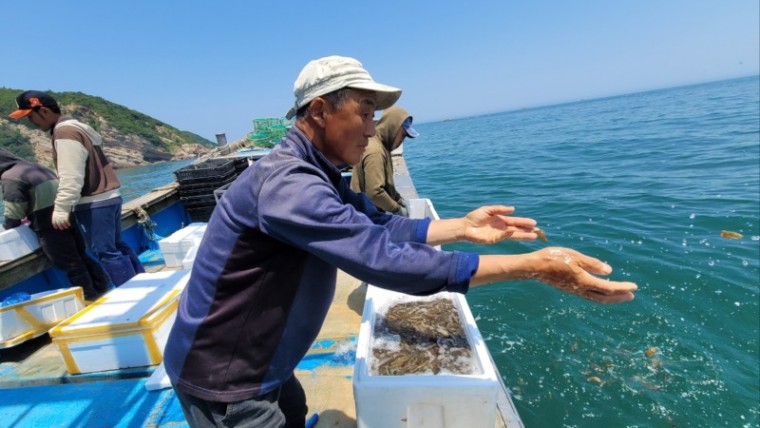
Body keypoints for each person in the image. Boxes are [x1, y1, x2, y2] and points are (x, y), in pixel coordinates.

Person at [164, 55, 637, 428]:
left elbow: (380, 224)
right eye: (364, 114)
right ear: (320, 109)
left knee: (289, 409)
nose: (373, 130)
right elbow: (382, 261)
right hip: (227, 376)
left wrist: (462, 226)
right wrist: (531, 266)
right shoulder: (290, 185)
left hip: (267, 359)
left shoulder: (317, 171)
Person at [8, 91, 143, 287]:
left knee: (105, 251)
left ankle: (133, 294)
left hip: (93, 203)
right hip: (110, 198)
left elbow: (71, 175)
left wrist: (62, 208)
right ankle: (142, 283)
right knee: (116, 246)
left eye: (30, 116)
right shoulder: (77, 128)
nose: (30, 122)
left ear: (44, 111)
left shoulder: (64, 133)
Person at [0, 148, 110, 300]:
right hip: (68, 216)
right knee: (81, 255)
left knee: (71, 264)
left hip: (50, 225)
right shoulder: (35, 167)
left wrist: (8, 226)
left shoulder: (10, 177)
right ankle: (104, 287)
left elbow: (14, 213)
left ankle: (90, 297)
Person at [350, 106, 418, 216]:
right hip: (366, 216)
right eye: (403, 135)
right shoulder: (376, 151)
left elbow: (386, 185)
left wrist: (398, 198)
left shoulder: (382, 145)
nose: (402, 141)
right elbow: (375, 192)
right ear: (393, 128)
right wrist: (397, 209)